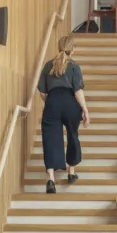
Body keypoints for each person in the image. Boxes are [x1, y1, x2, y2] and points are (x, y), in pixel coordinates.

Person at [39, 35, 90, 194]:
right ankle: (71, 172)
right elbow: (77, 90)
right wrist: (85, 109)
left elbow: (42, 91)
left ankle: (51, 179)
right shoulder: (74, 67)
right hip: (70, 102)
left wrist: (50, 101)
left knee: (51, 138)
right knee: (72, 134)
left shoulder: (49, 65)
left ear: (59, 47)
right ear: (72, 49)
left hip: (52, 101)